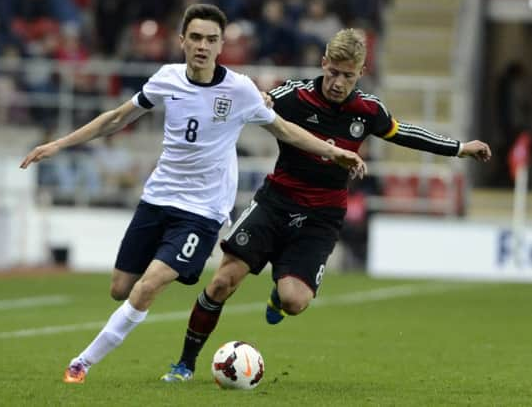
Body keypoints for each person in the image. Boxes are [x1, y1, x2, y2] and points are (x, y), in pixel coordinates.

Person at [19, 4, 366, 384]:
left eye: (211, 39)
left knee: (149, 286)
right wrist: (59, 144)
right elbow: (117, 117)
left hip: (202, 211)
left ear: (221, 46)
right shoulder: (166, 79)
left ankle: (81, 363)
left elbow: (284, 130)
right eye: (196, 37)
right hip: (157, 199)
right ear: (182, 41)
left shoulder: (239, 89)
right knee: (121, 288)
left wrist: (334, 151)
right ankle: (152, 290)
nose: (203, 46)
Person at [161, 27, 492, 382]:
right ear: (323, 64)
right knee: (224, 281)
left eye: (347, 76)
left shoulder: (367, 110)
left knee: (294, 301)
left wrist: (459, 148)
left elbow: (405, 133)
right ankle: (184, 364)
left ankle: (278, 295)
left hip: (322, 216)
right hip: (275, 202)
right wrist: (259, 99)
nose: (337, 82)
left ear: (361, 73)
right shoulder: (295, 95)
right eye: (332, 72)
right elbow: (256, 103)